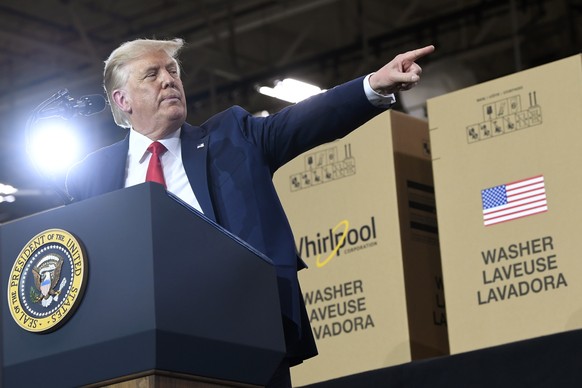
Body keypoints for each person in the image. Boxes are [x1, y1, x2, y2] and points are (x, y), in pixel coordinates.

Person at [65, 38, 434, 387]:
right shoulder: (90, 175)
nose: (169, 80)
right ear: (122, 100)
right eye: (152, 74)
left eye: (173, 71)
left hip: (242, 329)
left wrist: (374, 85)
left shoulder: (233, 136)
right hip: (138, 344)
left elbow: (305, 121)